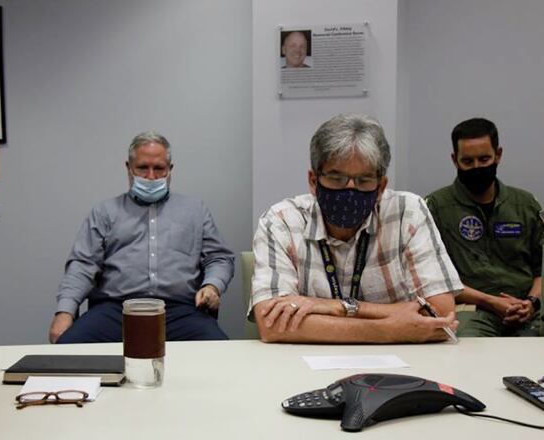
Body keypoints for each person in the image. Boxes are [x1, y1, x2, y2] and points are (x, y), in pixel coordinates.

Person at [250, 113, 462, 343]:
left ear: (381, 187)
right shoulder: (281, 221)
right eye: (337, 178)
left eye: (363, 180)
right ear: (313, 181)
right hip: (307, 362)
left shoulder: (407, 212)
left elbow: (440, 313)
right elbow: (270, 324)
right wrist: (390, 329)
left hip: (402, 365)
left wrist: (335, 307)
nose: (350, 190)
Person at [48, 131, 235, 343]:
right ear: (128, 168)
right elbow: (82, 266)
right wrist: (65, 312)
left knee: (219, 352)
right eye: (142, 168)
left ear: (170, 170)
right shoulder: (105, 212)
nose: (151, 176)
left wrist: (212, 286)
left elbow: (219, 258)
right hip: (115, 311)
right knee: (68, 347)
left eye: (159, 169)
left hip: (179, 311)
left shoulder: (195, 211)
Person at [426, 118, 543, 337]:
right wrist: (491, 302)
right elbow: (432, 278)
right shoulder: (435, 208)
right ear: (455, 160)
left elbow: (541, 268)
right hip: (472, 309)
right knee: (465, 343)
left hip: (527, 307)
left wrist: (532, 302)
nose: (477, 167)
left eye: (484, 159)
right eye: (468, 161)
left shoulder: (526, 205)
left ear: (498, 155)